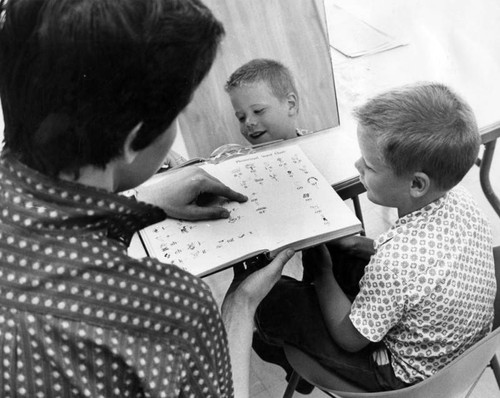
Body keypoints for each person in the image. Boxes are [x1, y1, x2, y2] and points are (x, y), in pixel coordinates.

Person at [0, 0, 294, 397]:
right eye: (176, 112)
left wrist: (144, 204)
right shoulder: (168, 310)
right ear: (132, 139)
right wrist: (239, 308)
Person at [253, 83, 497, 393]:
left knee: (275, 300)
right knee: (345, 255)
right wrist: (357, 245)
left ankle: (279, 351)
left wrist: (322, 274)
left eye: (369, 165)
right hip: (462, 350)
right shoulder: (461, 200)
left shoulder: (396, 263)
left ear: (417, 184)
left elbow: (349, 340)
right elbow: (421, 272)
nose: (357, 166)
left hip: (403, 378)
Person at [224, 58, 312, 146]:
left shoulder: (322, 147)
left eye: (258, 111)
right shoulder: (241, 159)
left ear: (290, 104)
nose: (248, 122)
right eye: (241, 118)